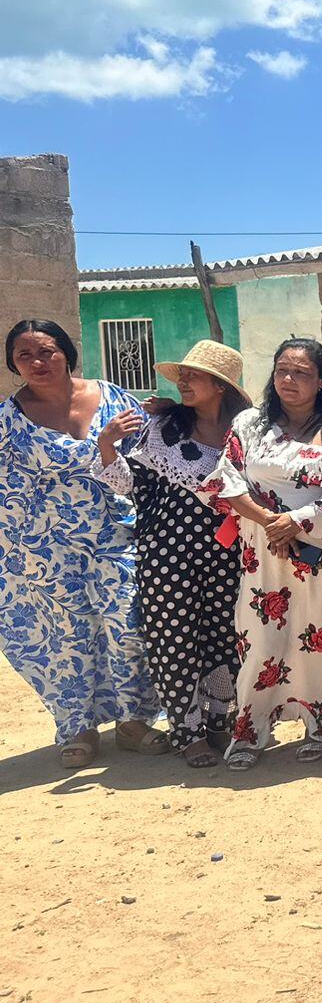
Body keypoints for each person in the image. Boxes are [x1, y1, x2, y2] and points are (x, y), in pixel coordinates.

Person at [0, 319, 160, 767]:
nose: (37, 362)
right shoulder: (7, 421)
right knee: (65, 637)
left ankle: (133, 721)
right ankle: (79, 726)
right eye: (24, 356)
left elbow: (151, 455)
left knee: (127, 621)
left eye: (46, 351)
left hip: (115, 533)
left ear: (66, 351)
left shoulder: (113, 398)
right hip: (43, 550)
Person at [210, 338, 322, 770]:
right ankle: (250, 730)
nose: (288, 379)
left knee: (317, 640)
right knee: (259, 641)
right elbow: (227, 481)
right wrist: (271, 523)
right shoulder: (249, 424)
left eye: (301, 372)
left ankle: (317, 722)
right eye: (282, 369)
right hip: (262, 553)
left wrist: (298, 521)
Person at [92, 340, 252, 768]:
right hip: (165, 553)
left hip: (228, 553)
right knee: (173, 641)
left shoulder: (245, 433)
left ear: (220, 386)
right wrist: (108, 443)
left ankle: (220, 719)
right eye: (182, 376)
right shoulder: (164, 429)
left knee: (223, 638)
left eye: (193, 376)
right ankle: (187, 732)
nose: (183, 382)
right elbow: (132, 485)